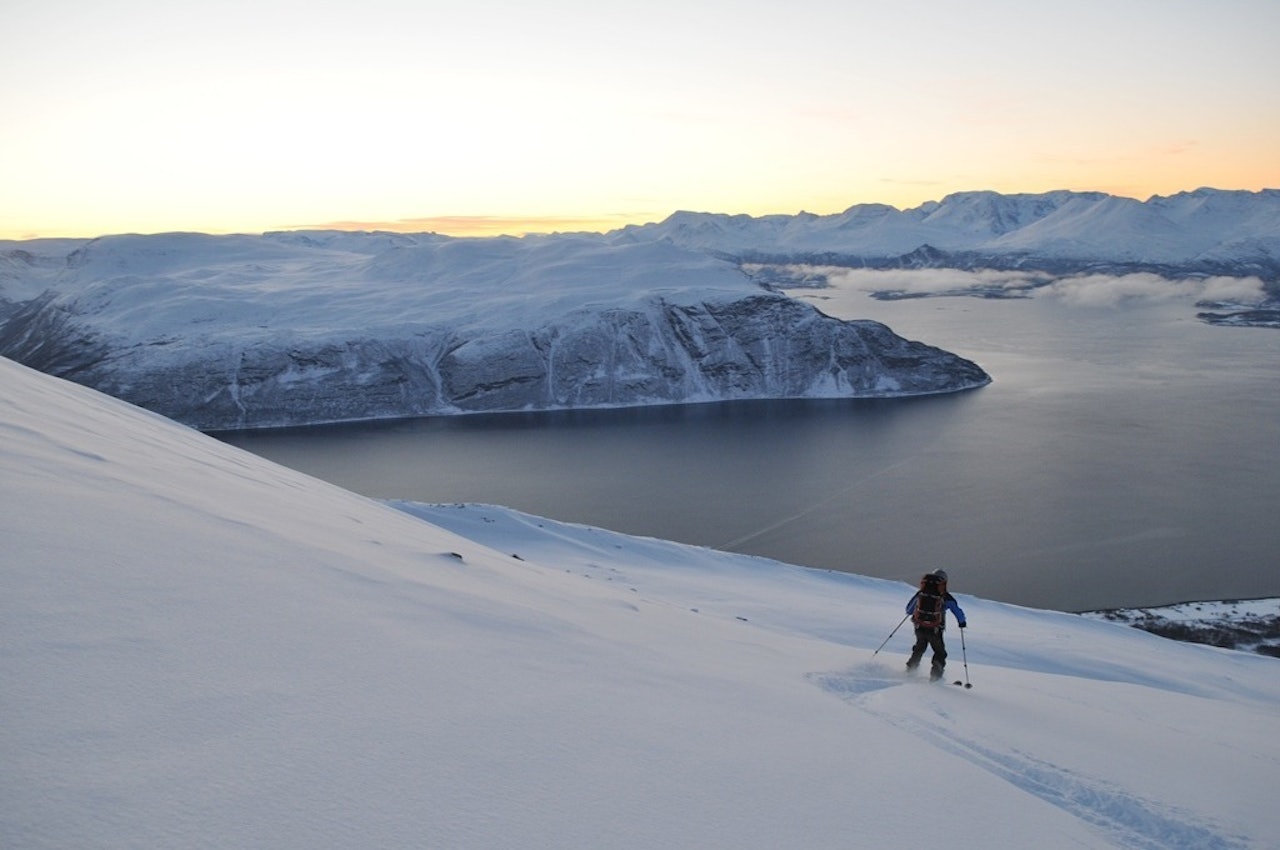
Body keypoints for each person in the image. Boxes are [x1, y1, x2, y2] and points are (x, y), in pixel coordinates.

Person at [905, 569, 967, 681]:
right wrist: (962, 622)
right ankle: (935, 678)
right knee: (939, 652)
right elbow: (957, 611)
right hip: (935, 629)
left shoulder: (921, 593)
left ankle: (910, 671)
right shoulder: (946, 597)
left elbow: (908, 610)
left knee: (919, 648)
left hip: (919, 626)